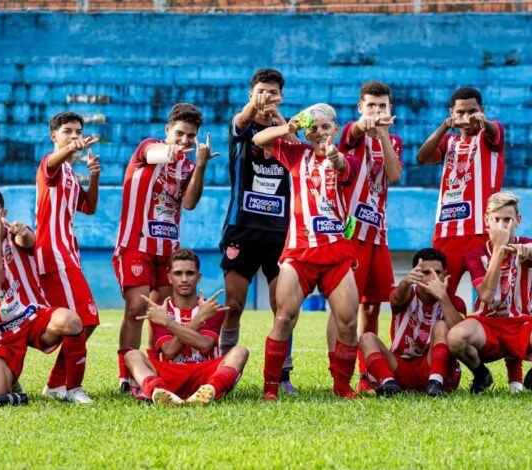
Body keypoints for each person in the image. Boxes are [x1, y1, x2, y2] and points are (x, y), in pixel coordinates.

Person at [252, 103, 362, 400]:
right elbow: (258, 140)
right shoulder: (296, 153)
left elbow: (342, 169)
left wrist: (335, 157)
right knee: (284, 317)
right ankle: (270, 387)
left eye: (326, 127)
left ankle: (341, 386)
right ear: (307, 132)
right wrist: (289, 127)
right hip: (299, 251)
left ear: (336, 130)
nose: (320, 132)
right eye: (314, 128)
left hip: (336, 252)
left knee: (348, 321)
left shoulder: (348, 159)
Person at [415, 87, 522, 388]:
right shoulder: (448, 142)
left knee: (499, 302)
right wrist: (443, 127)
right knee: (438, 300)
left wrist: (482, 122)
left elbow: (491, 129)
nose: (467, 117)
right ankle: (448, 371)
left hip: (480, 233)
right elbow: (422, 157)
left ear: (481, 110)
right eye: (460, 112)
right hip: (446, 233)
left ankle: (515, 378)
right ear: (452, 113)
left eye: (472, 110)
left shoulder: (491, 133)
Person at [113, 103, 218, 392]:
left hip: (168, 250)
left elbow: (189, 202)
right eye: (180, 134)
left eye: (190, 137)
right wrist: (170, 152)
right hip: (136, 244)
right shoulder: (149, 148)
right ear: (167, 131)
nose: (184, 141)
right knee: (137, 307)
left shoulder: (188, 165)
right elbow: (153, 154)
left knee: (161, 313)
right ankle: (126, 375)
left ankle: (151, 367)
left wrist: (201, 165)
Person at [0, 188, 88, 405]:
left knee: (72, 321)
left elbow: (28, 240)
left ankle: (73, 388)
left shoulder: (16, 233)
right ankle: (7, 376)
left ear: (5, 213)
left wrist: (22, 233)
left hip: (34, 316)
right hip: (3, 331)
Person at [448, 191, 532, 394]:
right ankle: (481, 375)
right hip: (487, 323)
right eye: (496, 219)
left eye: (507, 220)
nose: (502, 226)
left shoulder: (526, 244)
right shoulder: (475, 254)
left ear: (518, 220)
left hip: (521, 322)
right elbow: (486, 296)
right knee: (455, 338)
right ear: (486, 221)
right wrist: (498, 250)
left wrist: (523, 249)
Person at [218, 68, 295, 392]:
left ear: (282, 96)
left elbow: (297, 147)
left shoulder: (285, 128)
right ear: (251, 94)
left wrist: (277, 114)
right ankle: (223, 368)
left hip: (280, 232)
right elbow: (240, 120)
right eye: (261, 91)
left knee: (284, 306)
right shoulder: (242, 127)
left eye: (273, 93)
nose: (267, 97)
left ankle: (282, 374)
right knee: (234, 304)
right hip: (242, 229)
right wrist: (257, 106)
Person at [338, 80, 403, 394]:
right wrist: (367, 126)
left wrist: (385, 136)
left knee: (373, 307)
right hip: (351, 233)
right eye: (371, 105)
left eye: (382, 106)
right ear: (361, 108)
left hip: (378, 233)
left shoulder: (394, 140)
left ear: (391, 110)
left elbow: (394, 175)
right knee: (347, 308)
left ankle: (367, 376)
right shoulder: (352, 132)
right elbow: (353, 132)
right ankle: (342, 376)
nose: (377, 111)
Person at [125, 249, 249, 406]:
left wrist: (168, 322)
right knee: (132, 355)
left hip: (204, 373)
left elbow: (205, 345)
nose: (184, 279)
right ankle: (160, 392)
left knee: (240, 352)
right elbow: (169, 351)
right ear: (169, 277)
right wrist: (199, 319)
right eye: (178, 273)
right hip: (170, 373)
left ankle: (210, 390)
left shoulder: (211, 308)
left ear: (198, 277)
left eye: (190, 273)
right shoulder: (160, 311)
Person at [35, 111, 101, 403]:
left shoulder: (72, 175)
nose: (75, 136)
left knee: (84, 321)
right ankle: (70, 387)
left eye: (78, 132)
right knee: (86, 318)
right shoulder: (51, 166)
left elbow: (88, 207)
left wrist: (95, 177)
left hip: (68, 253)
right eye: (68, 132)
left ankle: (57, 384)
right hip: (53, 251)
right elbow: (51, 163)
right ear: (54, 136)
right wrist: (69, 150)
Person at [359, 248, 465, 397]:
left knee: (442, 326)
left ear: (445, 275)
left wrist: (442, 297)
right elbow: (397, 299)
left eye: (438, 272)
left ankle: (435, 384)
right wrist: (406, 282)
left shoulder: (454, 302)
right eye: (425, 273)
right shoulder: (406, 293)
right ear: (415, 274)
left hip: (433, 367)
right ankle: (389, 385)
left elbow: (460, 335)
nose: (432, 278)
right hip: (400, 367)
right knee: (367, 338)